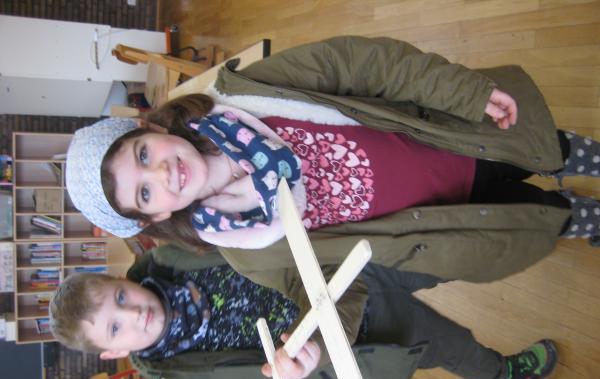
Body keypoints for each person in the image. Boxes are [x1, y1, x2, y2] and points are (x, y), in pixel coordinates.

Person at [66, 35, 600, 301]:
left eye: (143, 155)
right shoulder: (248, 249)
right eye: (144, 194)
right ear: (154, 218)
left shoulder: (247, 94)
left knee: (554, 150)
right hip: (458, 222)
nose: (162, 175)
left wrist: (462, 93)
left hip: (462, 133)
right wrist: (316, 343)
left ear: (151, 129)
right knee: (554, 217)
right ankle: (586, 218)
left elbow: (363, 65)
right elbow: (328, 291)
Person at [50, 244, 557, 379]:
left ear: (121, 279)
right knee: (452, 344)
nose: (134, 314)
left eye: (121, 298)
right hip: (365, 343)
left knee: (459, 253)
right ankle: (503, 375)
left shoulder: (174, 255)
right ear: (112, 353)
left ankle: (540, 228)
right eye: (114, 328)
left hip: (351, 268)